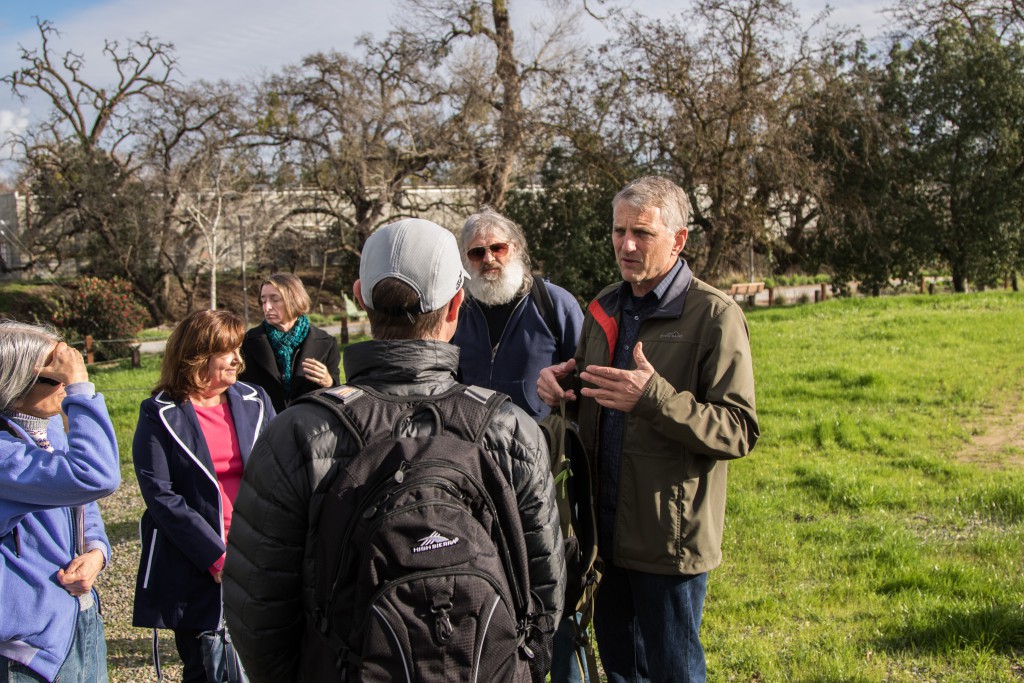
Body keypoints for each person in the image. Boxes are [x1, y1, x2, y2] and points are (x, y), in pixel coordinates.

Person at [223, 218, 565, 683]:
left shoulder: (297, 432)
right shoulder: (511, 429)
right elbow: (544, 590)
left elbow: (256, 605)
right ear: (457, 304)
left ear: (361, 297)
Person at [537, 176, 759, 683]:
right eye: (618, 232)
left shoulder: (714, 315)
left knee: (674, 673)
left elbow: (738, 429)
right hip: (603, 535)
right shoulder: (605, 305)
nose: (627, 245)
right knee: (620, 671)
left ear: (679, 240)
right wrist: (562, 387)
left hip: (668, 540)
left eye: (642, 233)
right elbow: (594, 384)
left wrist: (653, 399)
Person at [132, 310, 276, 683]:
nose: (237, 359)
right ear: (198, 356)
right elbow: (160, 495)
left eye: (237, 349)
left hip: (256, 556)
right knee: (206, 666)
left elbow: (280, 474)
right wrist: (215, 556)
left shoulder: (255, 399)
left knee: (264, 661)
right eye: (227, 351)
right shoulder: (158, 413)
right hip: (195, 562)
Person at [0, 320, 120, 683]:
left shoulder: (48, 426)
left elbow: (85, 501)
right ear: (14, 383)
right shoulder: (5, 454)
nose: (67, 385)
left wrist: (97, 551)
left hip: (77, 620)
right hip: (27, 647)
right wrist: (83, 391)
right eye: (56, 377)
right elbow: (96, 475)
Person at [452, 207, 583, 420]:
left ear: (515, 248)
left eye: (498, 248)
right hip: (472, 445)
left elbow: (585, 374)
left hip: (539, 444)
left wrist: (565, 389)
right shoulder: (458, 309)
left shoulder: (556, 303)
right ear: (466, 259)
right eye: (477, 252)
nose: (488, 258)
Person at [239, 273, 340, 413]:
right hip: (265, 427)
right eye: (263, 301)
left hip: (309, 426)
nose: (267, 307)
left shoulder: (327, 343)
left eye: (275, 300)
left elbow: (337, 396)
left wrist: (329, 382)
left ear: (294, 300)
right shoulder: (246, 343)